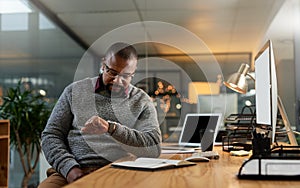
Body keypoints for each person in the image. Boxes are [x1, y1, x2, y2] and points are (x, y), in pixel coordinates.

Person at [38, 42, 162, 187]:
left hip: (120, 171)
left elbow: (154, 148)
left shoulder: (141, 100)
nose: (116, 81)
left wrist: (113, 129)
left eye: (125, 76)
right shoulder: (74, 91)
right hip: (72, 171)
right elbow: (51, 135)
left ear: (133, 74)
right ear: (103, 65)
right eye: (112, 72)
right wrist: (70, 168)